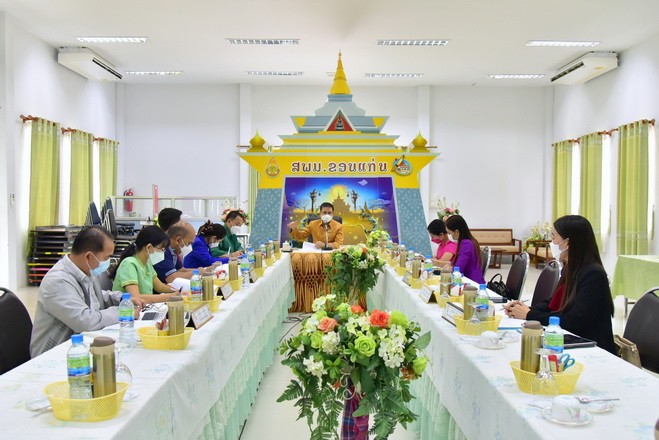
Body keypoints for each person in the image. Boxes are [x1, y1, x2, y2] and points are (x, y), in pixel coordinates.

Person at [504, 215, 616, 354]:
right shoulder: (571, 268)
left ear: (567, 242)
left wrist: (530, 315)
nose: (551, 242)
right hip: (570, 341)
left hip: (591, 349)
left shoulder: (593, 275)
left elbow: (572, 322)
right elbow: (553, 303)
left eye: (554, 237)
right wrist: (523, 308)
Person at [30, 226, 145, 357]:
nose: (108, 263)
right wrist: (122, 312)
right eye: (106, 258)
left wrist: (122, 299)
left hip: (80, 347)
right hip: (57, 354)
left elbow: (96, 296)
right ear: (88, 256)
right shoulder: (58, 281)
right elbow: (86, 321)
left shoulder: (85, 271)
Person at [110, 225, 179, 301]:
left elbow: (160, 287)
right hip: (128, 308)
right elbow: (136, 297)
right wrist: (171, 296)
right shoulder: (129, 264)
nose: (163, 253)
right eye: (162, 249)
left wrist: (178, 291)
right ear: (149, 247)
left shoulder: (147, 264)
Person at [444, 215, 485, 284]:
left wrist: (449, 268)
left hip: (472, 282)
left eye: (449, 233)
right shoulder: (469, 241)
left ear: (456, 232)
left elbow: (458, 269)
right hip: (470, 279)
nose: (450, 236)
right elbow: (459, 262)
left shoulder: (466, 244)